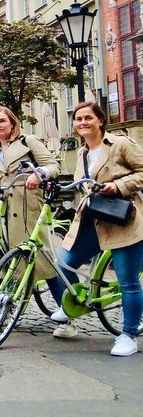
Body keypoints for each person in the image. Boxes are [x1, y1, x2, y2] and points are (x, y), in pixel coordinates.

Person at [50, 102, 143, 356]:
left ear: (100, 120)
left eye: (88, 118)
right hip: (92, 220)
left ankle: (129, 334)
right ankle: (74, 305)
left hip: (123, 220)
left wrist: (120, 185)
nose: (83, 123)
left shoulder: (121, 144)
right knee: (62, 263)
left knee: (128, 281)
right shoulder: (81, 152)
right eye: (78, 119)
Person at [0, 106, 62, 321]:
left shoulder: (28, 141)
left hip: (28, 206)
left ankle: (65, 309)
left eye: (2, 121)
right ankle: (3, 310)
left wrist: (40, 175)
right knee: (2, 258)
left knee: (41, 258)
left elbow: (53, 166)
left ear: (12, 123)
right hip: (3, 209)